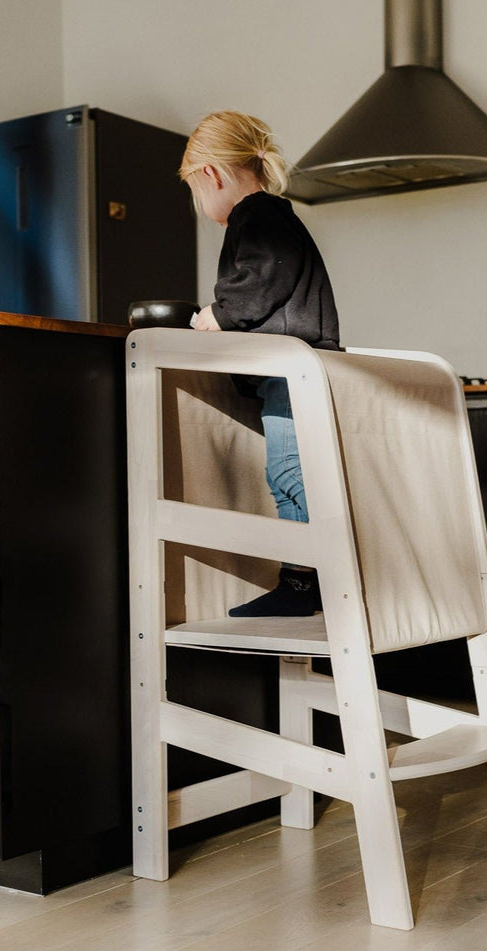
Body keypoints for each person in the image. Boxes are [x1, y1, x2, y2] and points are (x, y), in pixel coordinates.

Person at [180, 110, 341, 617]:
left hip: (292, 374)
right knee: (291, 472)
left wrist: (218, 315)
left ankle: (309, 584)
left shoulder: (258, 214)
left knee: (292, 472)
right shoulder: (271, 213)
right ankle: (306, 581)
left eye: (195, 191)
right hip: (295, 372)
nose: (201, 204)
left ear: (212, 174)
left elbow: (261, 276)